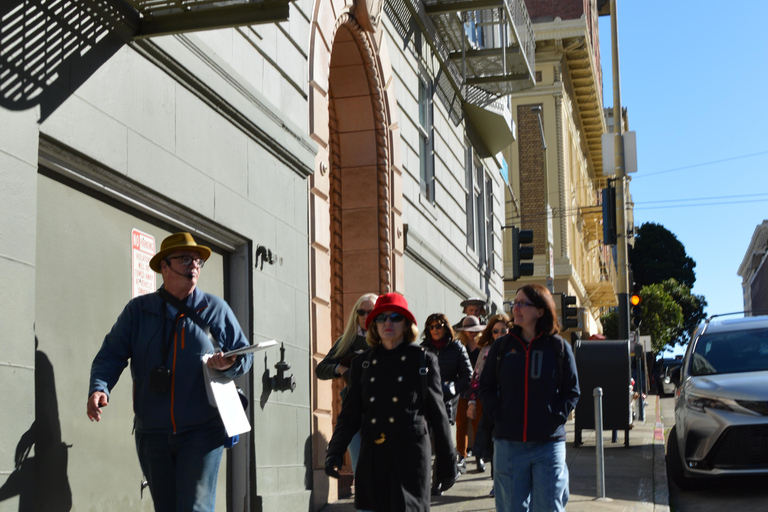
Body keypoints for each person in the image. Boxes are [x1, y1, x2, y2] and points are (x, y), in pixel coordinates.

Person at [87, 232, 254, 512]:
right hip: (152, 433)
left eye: (198, 261)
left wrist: (230, 364)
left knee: (195, 508)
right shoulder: (139, 311)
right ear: (164, 266)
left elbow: (244, 357)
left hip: (202, 430)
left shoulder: (216, 309)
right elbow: (111, 354)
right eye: (185, 259)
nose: (193, 266)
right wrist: (99, 387)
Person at [324, 293, 457, 511]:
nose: (388, 322)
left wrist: (446, 462)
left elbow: (438, 415)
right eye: (381, 318)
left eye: (395, 317)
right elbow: (350, 414)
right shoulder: (362, 364)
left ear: (406, 325)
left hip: (410, 458)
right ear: (373, 325)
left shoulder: (422, 359)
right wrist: (335, 452)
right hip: (374, 457)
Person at [479, 284, 580, 512]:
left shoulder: (559, 348)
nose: (516, 308)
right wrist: (498, 417)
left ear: (541, 311)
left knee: (549, 507)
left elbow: (572, 391)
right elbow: (485, 388)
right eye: (515, 303)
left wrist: (554, 419)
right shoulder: (501, 347)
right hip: (508, 444)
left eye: (523, 303)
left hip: (548, 445)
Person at [316, 293, 377, 472]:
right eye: (362, 312)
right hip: (354, 408)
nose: (366, 316)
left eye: (371, 312)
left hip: (383, 408)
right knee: (360, 465)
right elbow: (321, 369)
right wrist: (340, 368)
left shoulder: (388, 340)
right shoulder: (347, 341)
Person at [421, 313, 472, 481]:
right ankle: (431, 478)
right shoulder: (423, 348)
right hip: (426, 400)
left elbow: (468, 376)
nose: (435, 329)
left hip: (446, 400)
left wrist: (452, 388)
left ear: (445, 327)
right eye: (431, 326)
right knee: (426, 441)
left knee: (442, 442)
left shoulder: (456, 347)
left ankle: (439, 480)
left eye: (439, 326)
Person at [467, 313, 511, 496]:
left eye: (503, 330)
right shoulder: (486, 351)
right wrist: (472, 402)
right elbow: (476, 378)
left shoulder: (517, 348)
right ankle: (497, 483)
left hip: (513, 403)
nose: (499, 334)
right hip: (491, 404)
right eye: (495, 331)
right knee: (495, 445)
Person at [454, 315, 486, 473]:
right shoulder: (459, 346)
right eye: (468, 330)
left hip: (478, 390)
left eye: (474, 330)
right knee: (461, 423)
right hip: (462, 390)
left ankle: (479, 456)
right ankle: (461, 455)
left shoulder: (483, 346)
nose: (471, 333)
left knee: (478, 424)